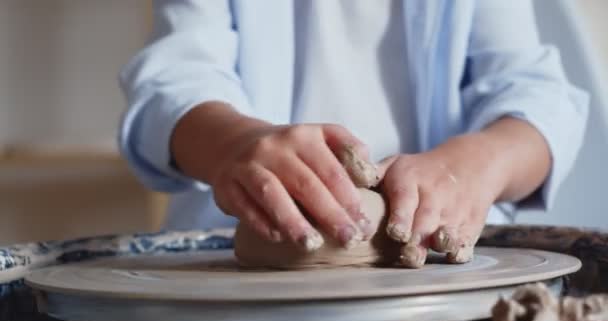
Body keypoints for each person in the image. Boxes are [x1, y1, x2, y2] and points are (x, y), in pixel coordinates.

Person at [118, 0, 588, 264]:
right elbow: (175, 82)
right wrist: (234, 145)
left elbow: (535, 96)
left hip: (441, 263)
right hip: (236, 257)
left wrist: (474, 165)